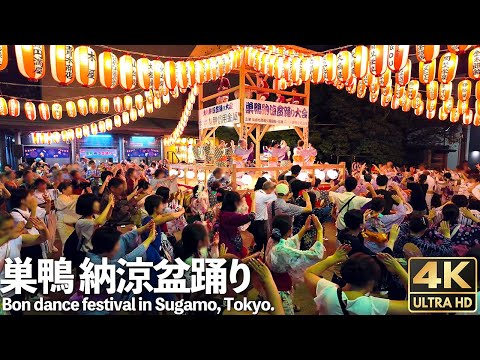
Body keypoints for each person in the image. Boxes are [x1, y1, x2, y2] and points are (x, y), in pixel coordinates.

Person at [305, 246, 410, 315]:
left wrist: (334, 258)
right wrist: (398, 269)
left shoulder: (328, 292)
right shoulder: (373, 306)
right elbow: (419, 305)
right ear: (371, 282)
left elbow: (309, 273)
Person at [265, 214, 325, 315]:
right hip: (280, 290)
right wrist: (319, 230)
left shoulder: (273, 239)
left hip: (272, 284)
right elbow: (316, 254)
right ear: (289, 230)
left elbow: (289, 242)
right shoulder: (282, 250)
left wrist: (304, 229)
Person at [0, 215, 48, 314]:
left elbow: (41, 238)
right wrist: (9, 236)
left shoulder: (15, 239)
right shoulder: (11, 237)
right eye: (5, 229)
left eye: (11, 227)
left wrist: (43, 230)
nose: (10, 231)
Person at [218, 191, 256, 258]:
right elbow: (252, 216)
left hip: (227, 242)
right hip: (231, 248)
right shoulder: (231, 216)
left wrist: (243, 194)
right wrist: (253, 200)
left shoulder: (223, 212)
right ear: (235, 203)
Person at [251, 180, 277, 252]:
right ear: (269, 189)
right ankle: (263, 258)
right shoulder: (263, 196)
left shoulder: (257, 192)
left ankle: (255, 257)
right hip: (260, 222)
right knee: (265, 242)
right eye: (272, 190)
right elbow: (277, 197)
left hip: (255, 221)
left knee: (258, 242)